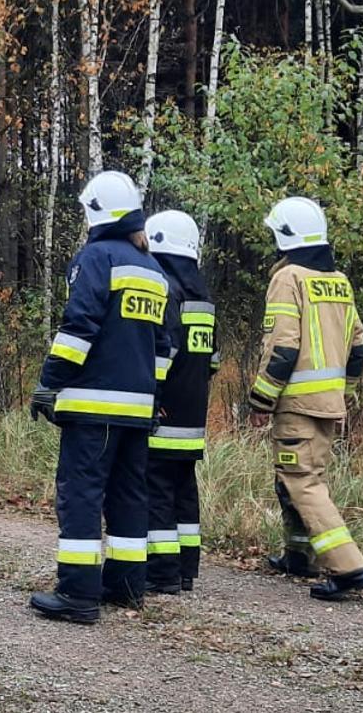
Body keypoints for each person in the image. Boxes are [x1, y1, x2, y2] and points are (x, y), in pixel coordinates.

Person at [26, 171, 171, 624]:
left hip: (93, 406)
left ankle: (77, 594)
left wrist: (50, 381)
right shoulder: (154, 268)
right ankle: (125, 587)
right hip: (137, 408)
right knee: (129, 495)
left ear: (95, 212)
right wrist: (153, 396)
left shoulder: (95, 258)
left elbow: (79, 327)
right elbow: (163, 348)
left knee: (82, 495)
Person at [249, 197, 363, 601]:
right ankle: (298, 555)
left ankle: (348, 567)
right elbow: (358, 347)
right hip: (329, 403)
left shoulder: (289, 279)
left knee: (301, 481)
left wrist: (260, 400)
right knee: (297, 479)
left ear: (284, 235)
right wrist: (345, 393)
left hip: (297, 404)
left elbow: (282, 347)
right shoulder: (338, 280)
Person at [142, 210, 217, 594]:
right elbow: (213, 361)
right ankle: (187, 569)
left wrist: (151, 398)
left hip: (164, 410)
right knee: (184, 490)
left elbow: (162, 352)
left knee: (156, 490)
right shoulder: (203, 298)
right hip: (193, 414)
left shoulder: (166, 289)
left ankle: (162, 572)